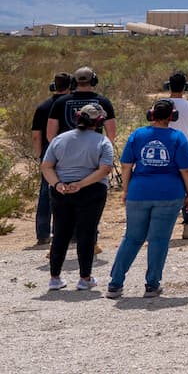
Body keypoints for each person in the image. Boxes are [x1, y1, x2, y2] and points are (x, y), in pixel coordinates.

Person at [106, 99, 188, 298]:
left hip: (139, 193)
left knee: (132, 238)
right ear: (172, 117)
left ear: (151, 115)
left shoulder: (138, 134)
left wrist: (126, 190)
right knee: (159, 239)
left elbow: (126, 165)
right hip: (169, 194)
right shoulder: (177, 137)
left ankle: (115, 283)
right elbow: (187, 169)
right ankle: (152, 284)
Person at [40, 102, 113, 291]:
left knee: (60, 233)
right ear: (99, 121)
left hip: (61, 191)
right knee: (86, 233)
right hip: (91, 190)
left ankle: (55, 277)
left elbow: (46, 166)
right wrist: (81, 184)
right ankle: (85, 277)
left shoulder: (59, 139)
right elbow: (105, 169)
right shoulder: (102, 141)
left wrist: (57, 184)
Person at [31, 71, 72, 248]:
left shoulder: (43, 107)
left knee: (45, 192)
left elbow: (36, 135)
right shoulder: (70, 105)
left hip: (49, 152)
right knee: (67, 191)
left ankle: (43, 234)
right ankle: (63, 231)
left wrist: (41, 155)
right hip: (69, 152)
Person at [164, 71, 188, 240]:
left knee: (165, 187)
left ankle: (162, 225)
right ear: (186, 87)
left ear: (168, 86)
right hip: (186, 150)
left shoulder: (161, 105)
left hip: (165, 151)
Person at [47, 66, 116, 143]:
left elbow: (50, 136)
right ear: (94, 80)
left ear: (74, 82)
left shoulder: (60, 102)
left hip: (67, 151)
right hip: (93, 151)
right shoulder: (104, 102)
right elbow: (111, 135)